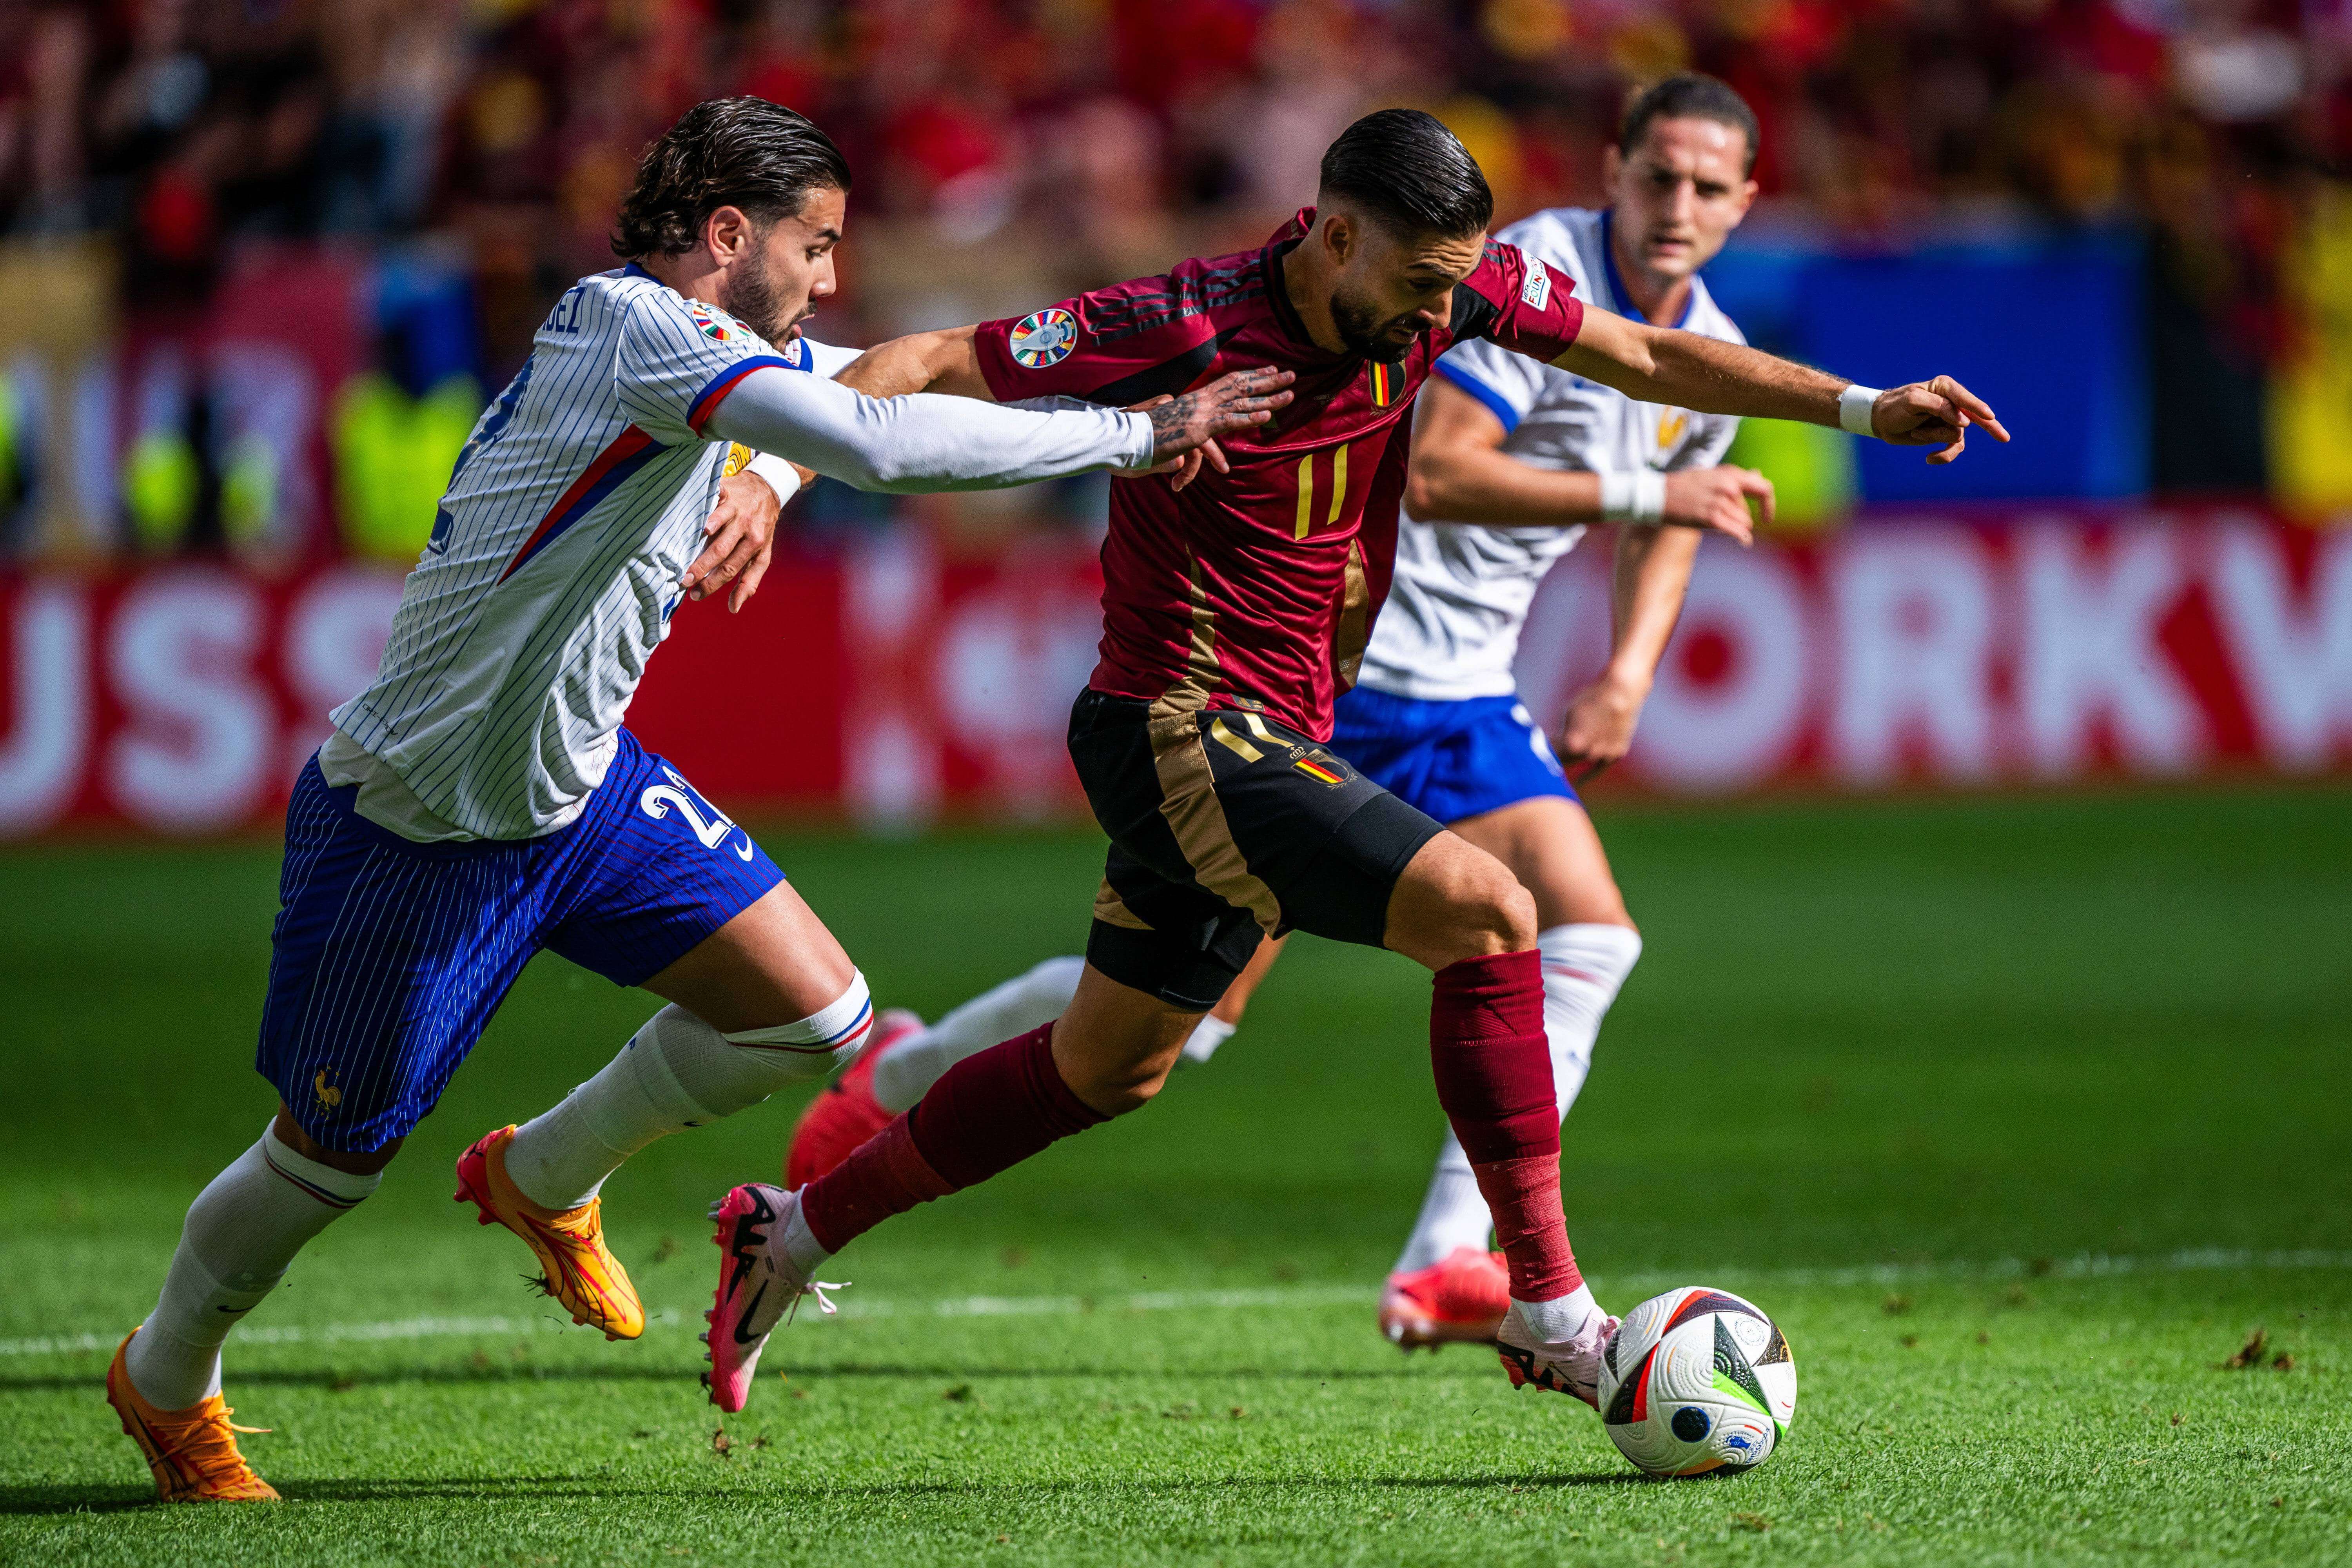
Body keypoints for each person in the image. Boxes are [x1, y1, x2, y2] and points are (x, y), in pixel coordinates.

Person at [705, 106, 2004, 1415]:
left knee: (1112, 1067)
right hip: (1179, 723)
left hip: (1277, 728)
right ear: (1335, 239)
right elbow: (921, 356)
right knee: (1498, 914)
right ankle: (1550, 1308)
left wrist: (1863, 407)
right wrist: (771, 475)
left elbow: (1648, 354)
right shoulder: (1182, 323)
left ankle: (792, 1228)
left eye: (1461, 283)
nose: (1446, 313)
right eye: (1425, 283)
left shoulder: (1450, 288)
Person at [103, 96, 1289, 1504]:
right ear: (731, 235)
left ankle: (544, 1175)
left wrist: (774, 476)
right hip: (419, 816)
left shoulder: (722, 350)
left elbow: (887, 382)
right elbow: (886, 443)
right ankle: (167, 1375)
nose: (833, 278)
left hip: (581, 784)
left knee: (815, 1019)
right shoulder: (637, 329)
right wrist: (1140, 438)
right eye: (817, 245)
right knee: (329, 1163)